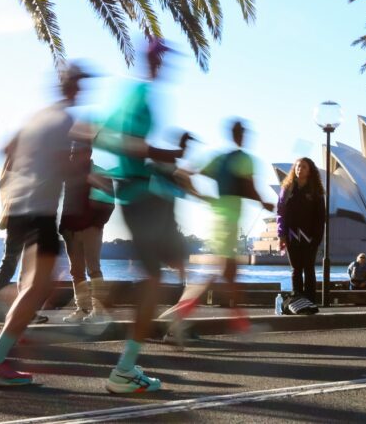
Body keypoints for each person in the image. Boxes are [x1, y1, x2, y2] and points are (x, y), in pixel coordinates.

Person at [0, 63, 92, 387]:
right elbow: (64, 167)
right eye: (80, 84)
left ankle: (9, 324)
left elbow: (4, 151)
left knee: (38, 282)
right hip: (40, 211)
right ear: (73, 87)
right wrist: (84, 172)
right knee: (39, 286)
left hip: (19, 209)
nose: (82, 90)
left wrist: (24, 175)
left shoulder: (34, 118)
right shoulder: (68, 121)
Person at [94, 38, 198, 394]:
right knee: (154, 279)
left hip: (136, 191)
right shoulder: (139, 96)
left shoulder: (130, 94)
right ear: (151, 60)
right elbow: (125, 142)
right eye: (161, 59)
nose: (164, 66)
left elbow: (99, 133)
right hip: (141, 194)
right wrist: (163, 153)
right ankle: (123, 368)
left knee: (156, 272)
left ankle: (101, 301)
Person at [164, 119, 275, 342]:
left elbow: (182, 175)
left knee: (229, 274)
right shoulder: (243, 159)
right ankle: (178, 318)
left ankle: (239, 323)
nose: (244, 135)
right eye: (242, 132)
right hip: (228, 222)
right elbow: (249, 187)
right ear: (239, 135)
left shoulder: (219, 159)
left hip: (217, 218)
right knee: (219, 273)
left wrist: (202, 197)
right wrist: (265, 202)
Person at [0, 136, 49, 325]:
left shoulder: (12, 164)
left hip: (17, 215)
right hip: (27, 213)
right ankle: (23, 311)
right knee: (24, 264)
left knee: (10, 261)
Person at [59, 141, 114, 324]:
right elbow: (66, 201)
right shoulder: (69, 173)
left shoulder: (101, 174)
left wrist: (96, 224)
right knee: (76, 272)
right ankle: (82, 309)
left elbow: (109, 203)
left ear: (88, 153)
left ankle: (98, 312)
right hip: (70, 230)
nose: (72, 155)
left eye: (76, 152)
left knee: (94, 269)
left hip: (91, 229)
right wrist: (63, 227)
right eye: (72, 152)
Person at [277, 157, 325, 303]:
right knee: (296, 269)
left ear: (310, 170)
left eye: (303, 167)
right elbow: (280, 213)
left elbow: (320, 217)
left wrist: (317, 238)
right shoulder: (287, 189)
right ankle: (297, 299)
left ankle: (310, 300)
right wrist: (281, 235)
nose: (300, 169)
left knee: (309, 269)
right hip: (292, 236)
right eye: (297, 166)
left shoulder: (316, 191)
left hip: (310, 237)